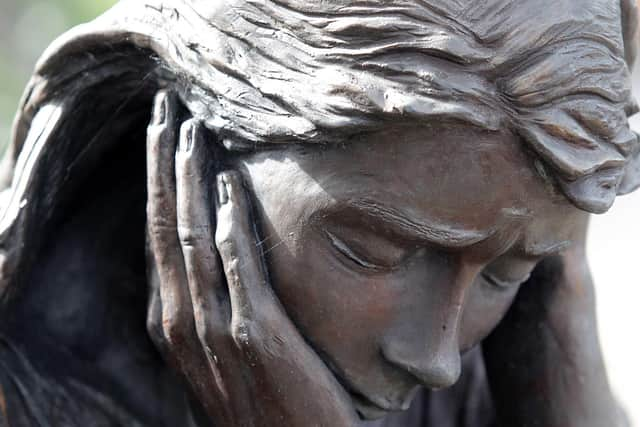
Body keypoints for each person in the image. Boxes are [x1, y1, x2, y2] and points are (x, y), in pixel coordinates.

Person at [0, 0, 638, 425]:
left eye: (503, 274)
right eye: (371, 253)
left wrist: (562, 344)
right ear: (190, 143)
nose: (436, 360)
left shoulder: (486, 377)